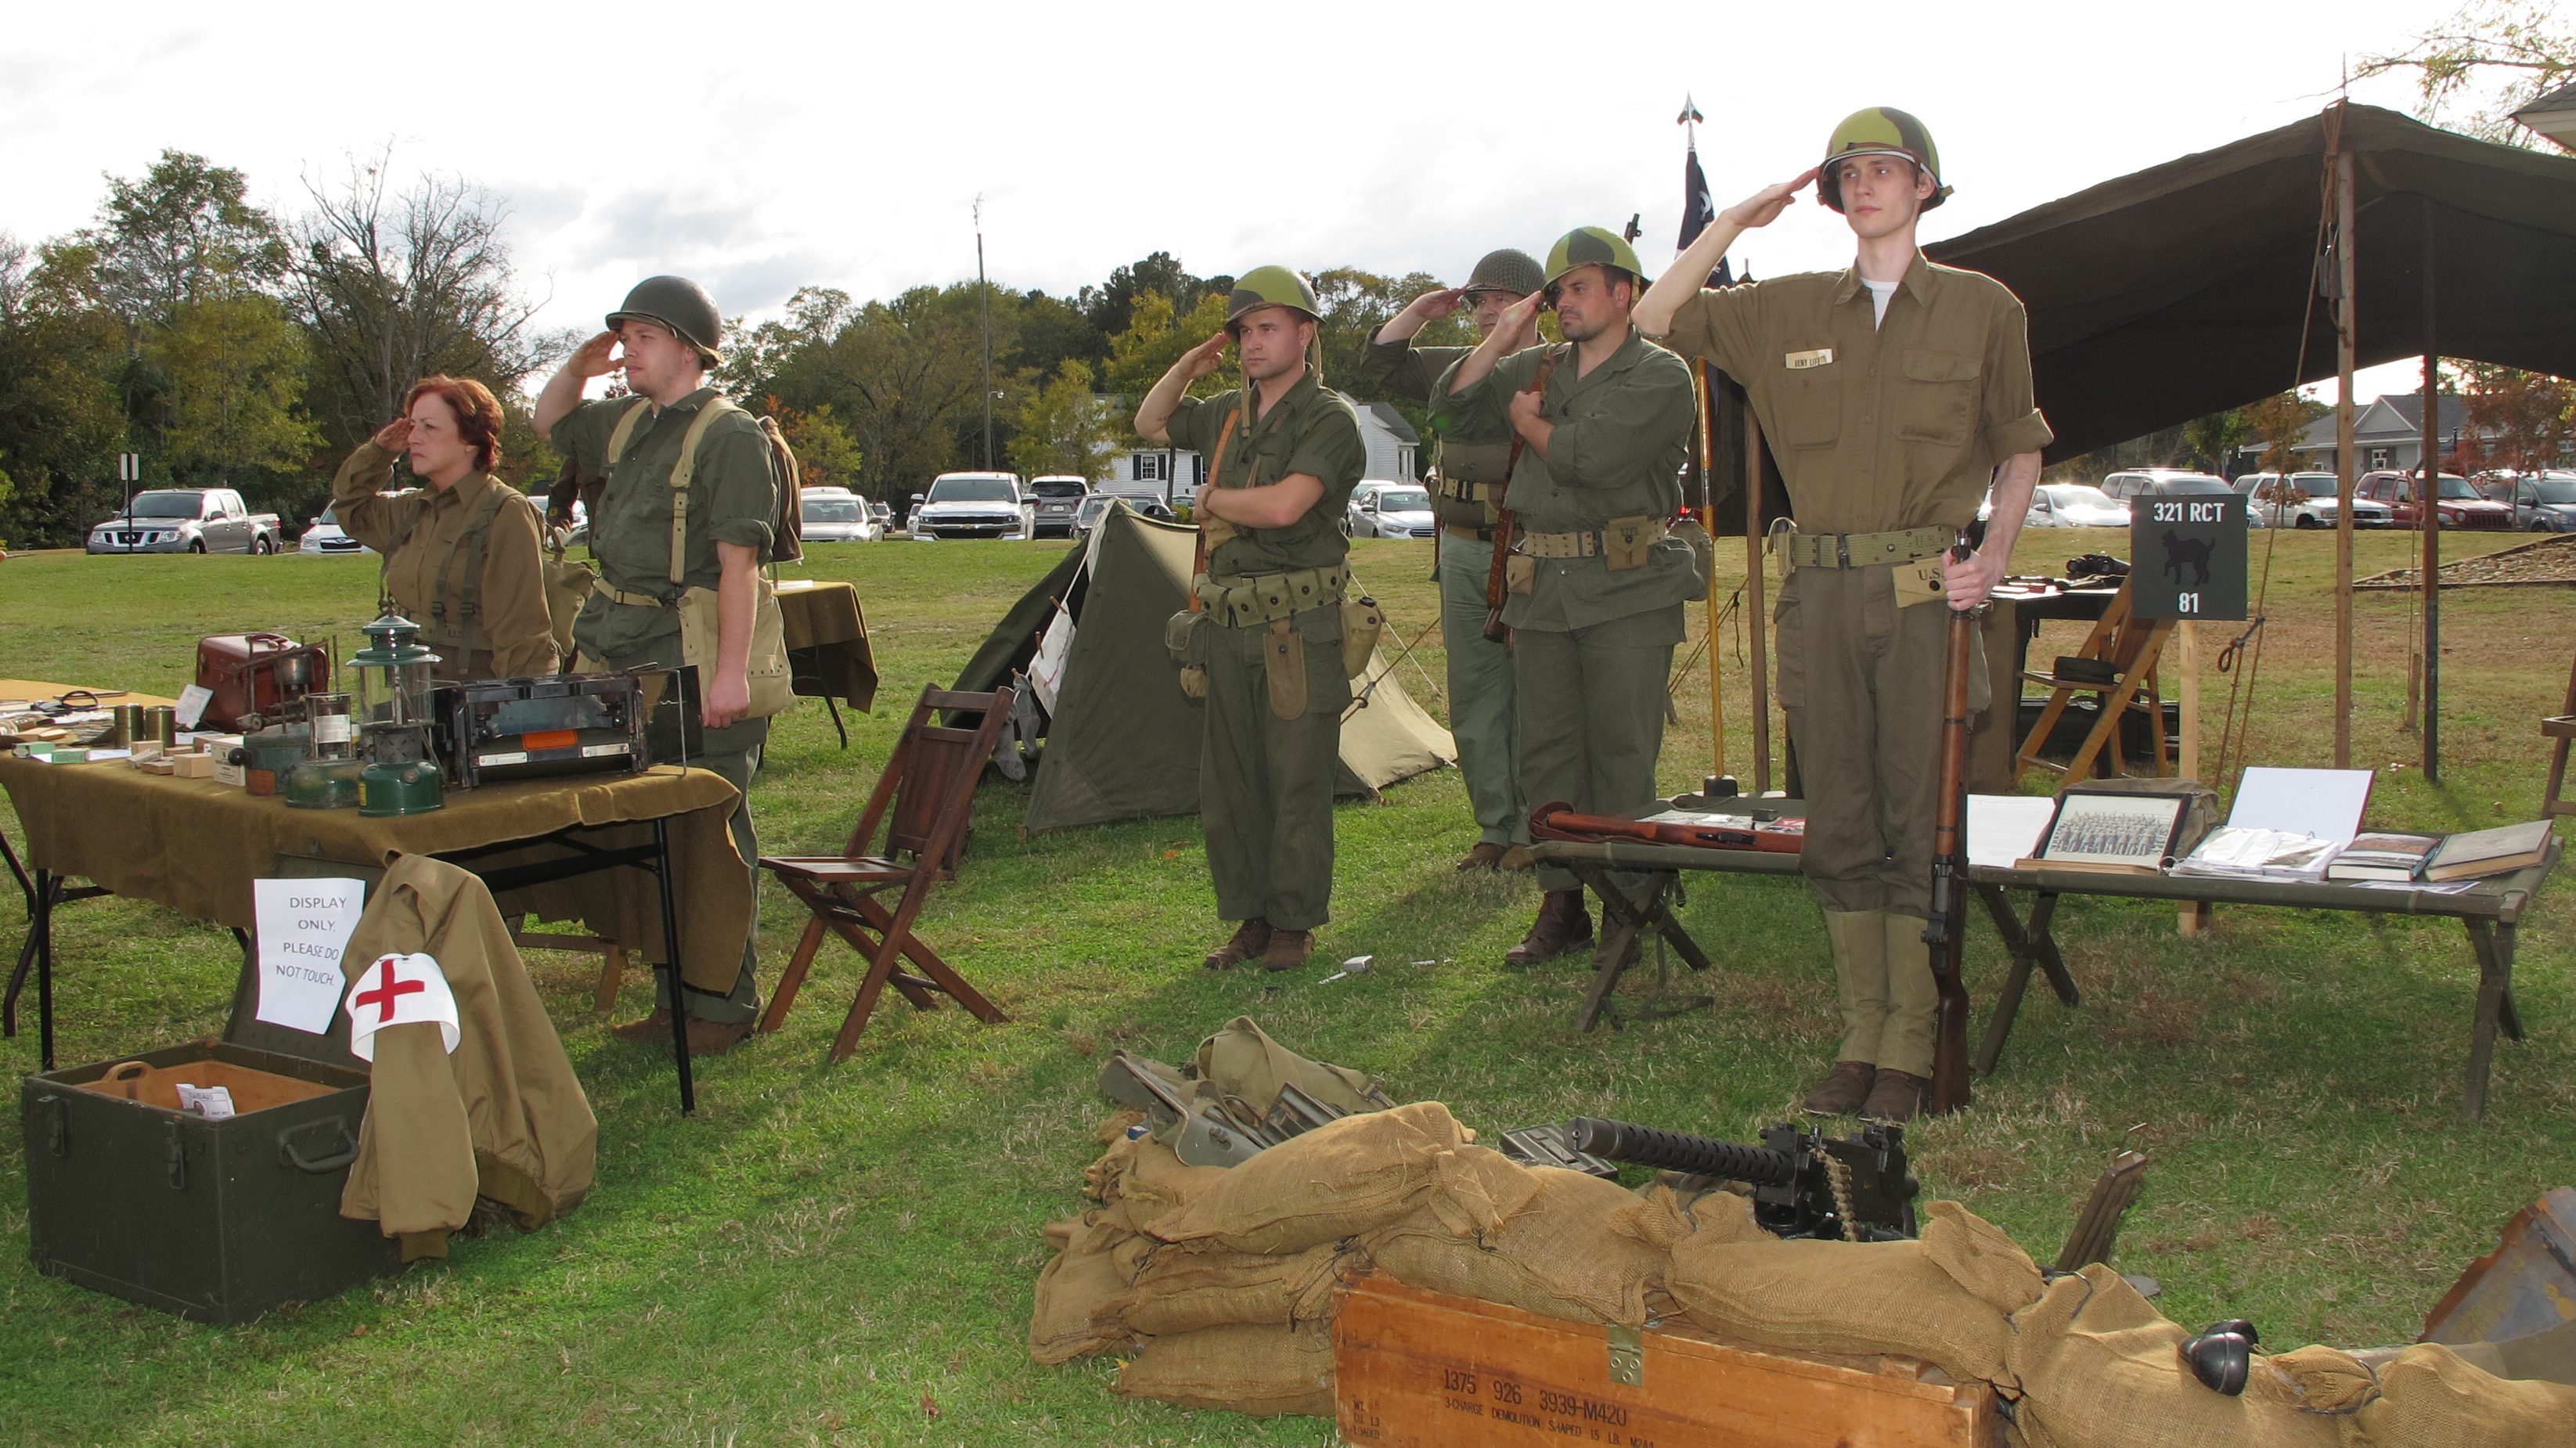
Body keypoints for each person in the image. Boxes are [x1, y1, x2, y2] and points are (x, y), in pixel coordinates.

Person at [1634, 107, 2049, 1122]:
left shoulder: (1983, 309)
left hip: (1920, 596)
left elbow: (2018, 444)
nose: (1863, 185)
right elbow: (1653, 318)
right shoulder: (1783, 309)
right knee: (1841, 822)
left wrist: (1993, 555)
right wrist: (1727, 224)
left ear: (1922, 186)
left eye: (1883, 170)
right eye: (1847, 173)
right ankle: (1861, 1034)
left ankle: (1909, 1043)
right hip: (1818, 597)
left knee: (1917, 819)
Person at [535, 276, 780, 1056]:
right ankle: (676, 1001)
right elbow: (548, 422)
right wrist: (577, 367)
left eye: (642, 336)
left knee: (710, 838)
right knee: (653, 836)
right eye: (624, 337)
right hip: (625, 648)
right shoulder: (628, 422)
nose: (627, 350)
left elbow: (739, 567)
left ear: (688, 347)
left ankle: (723, 1008)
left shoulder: (729, 435)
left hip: (690, 656)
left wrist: (730, 675)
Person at [1443, 228, 1699, 967]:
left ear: (1623, 293)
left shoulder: (1660, 374)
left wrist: (1526, 422)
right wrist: (1504, 335)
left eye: (1578, 288)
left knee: (1620, 755)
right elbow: (1451, 408)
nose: (1564, 303)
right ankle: (1562, 904)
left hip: (1627, 586)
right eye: (1556, 292)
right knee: (1548, 759)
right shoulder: (1538, 364)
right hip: (1545, 591)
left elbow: (1592, 457)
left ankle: (1628, 906)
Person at [1134, 266, 1367, 974]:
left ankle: (1293, 924)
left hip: (1297, 628)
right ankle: (1252, 918)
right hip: (1229, 625)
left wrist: (1211, 502)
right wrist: (1185, 367)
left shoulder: (1328, 417)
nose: (1251, 343)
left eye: (1268, 328)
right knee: (1232, 786)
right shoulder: (1226, 414)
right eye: (1242, 332)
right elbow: (1149, 423)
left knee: (1295, 780)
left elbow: (1285, 506)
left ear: (1305, 333)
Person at [1359, 247, 1547, 873]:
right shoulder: (1454, 366)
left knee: (1535, 694)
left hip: (1531, 548)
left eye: (1502, 299)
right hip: (1464, 547)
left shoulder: (1557, 366)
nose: (1488, 311)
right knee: (1475, 694)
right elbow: (1380, 364)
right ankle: (1495, 825)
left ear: (1533, 304)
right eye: (1479, 301)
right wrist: (1419, 310)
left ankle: (1536, 825)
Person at [331, 376, 557, 682]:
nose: (413, 438)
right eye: (412, 426)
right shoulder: (415, 510)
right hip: (410, 692)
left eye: (429, 427)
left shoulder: (505, 512)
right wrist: (380, 452)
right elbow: (351, 507)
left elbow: (521, 634)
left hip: (472, 697)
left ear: (469, 439)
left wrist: (516, 704)